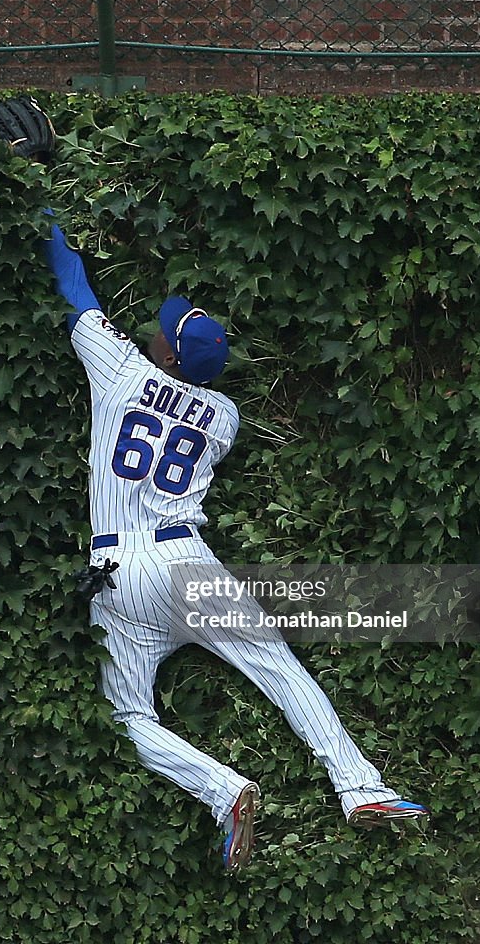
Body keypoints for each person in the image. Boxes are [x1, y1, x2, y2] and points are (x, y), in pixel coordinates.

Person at [42, 219, 430, 872]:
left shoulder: (120, 369)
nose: (155, 332)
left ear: (166, 355)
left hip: (118, 572)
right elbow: (178, 381)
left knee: (126, 717)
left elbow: (72, 281)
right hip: (187, 561)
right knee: (281, 671)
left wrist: (32, 192)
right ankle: (362, 786)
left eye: (164, 334)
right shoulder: (224, 417)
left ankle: (223, 790)